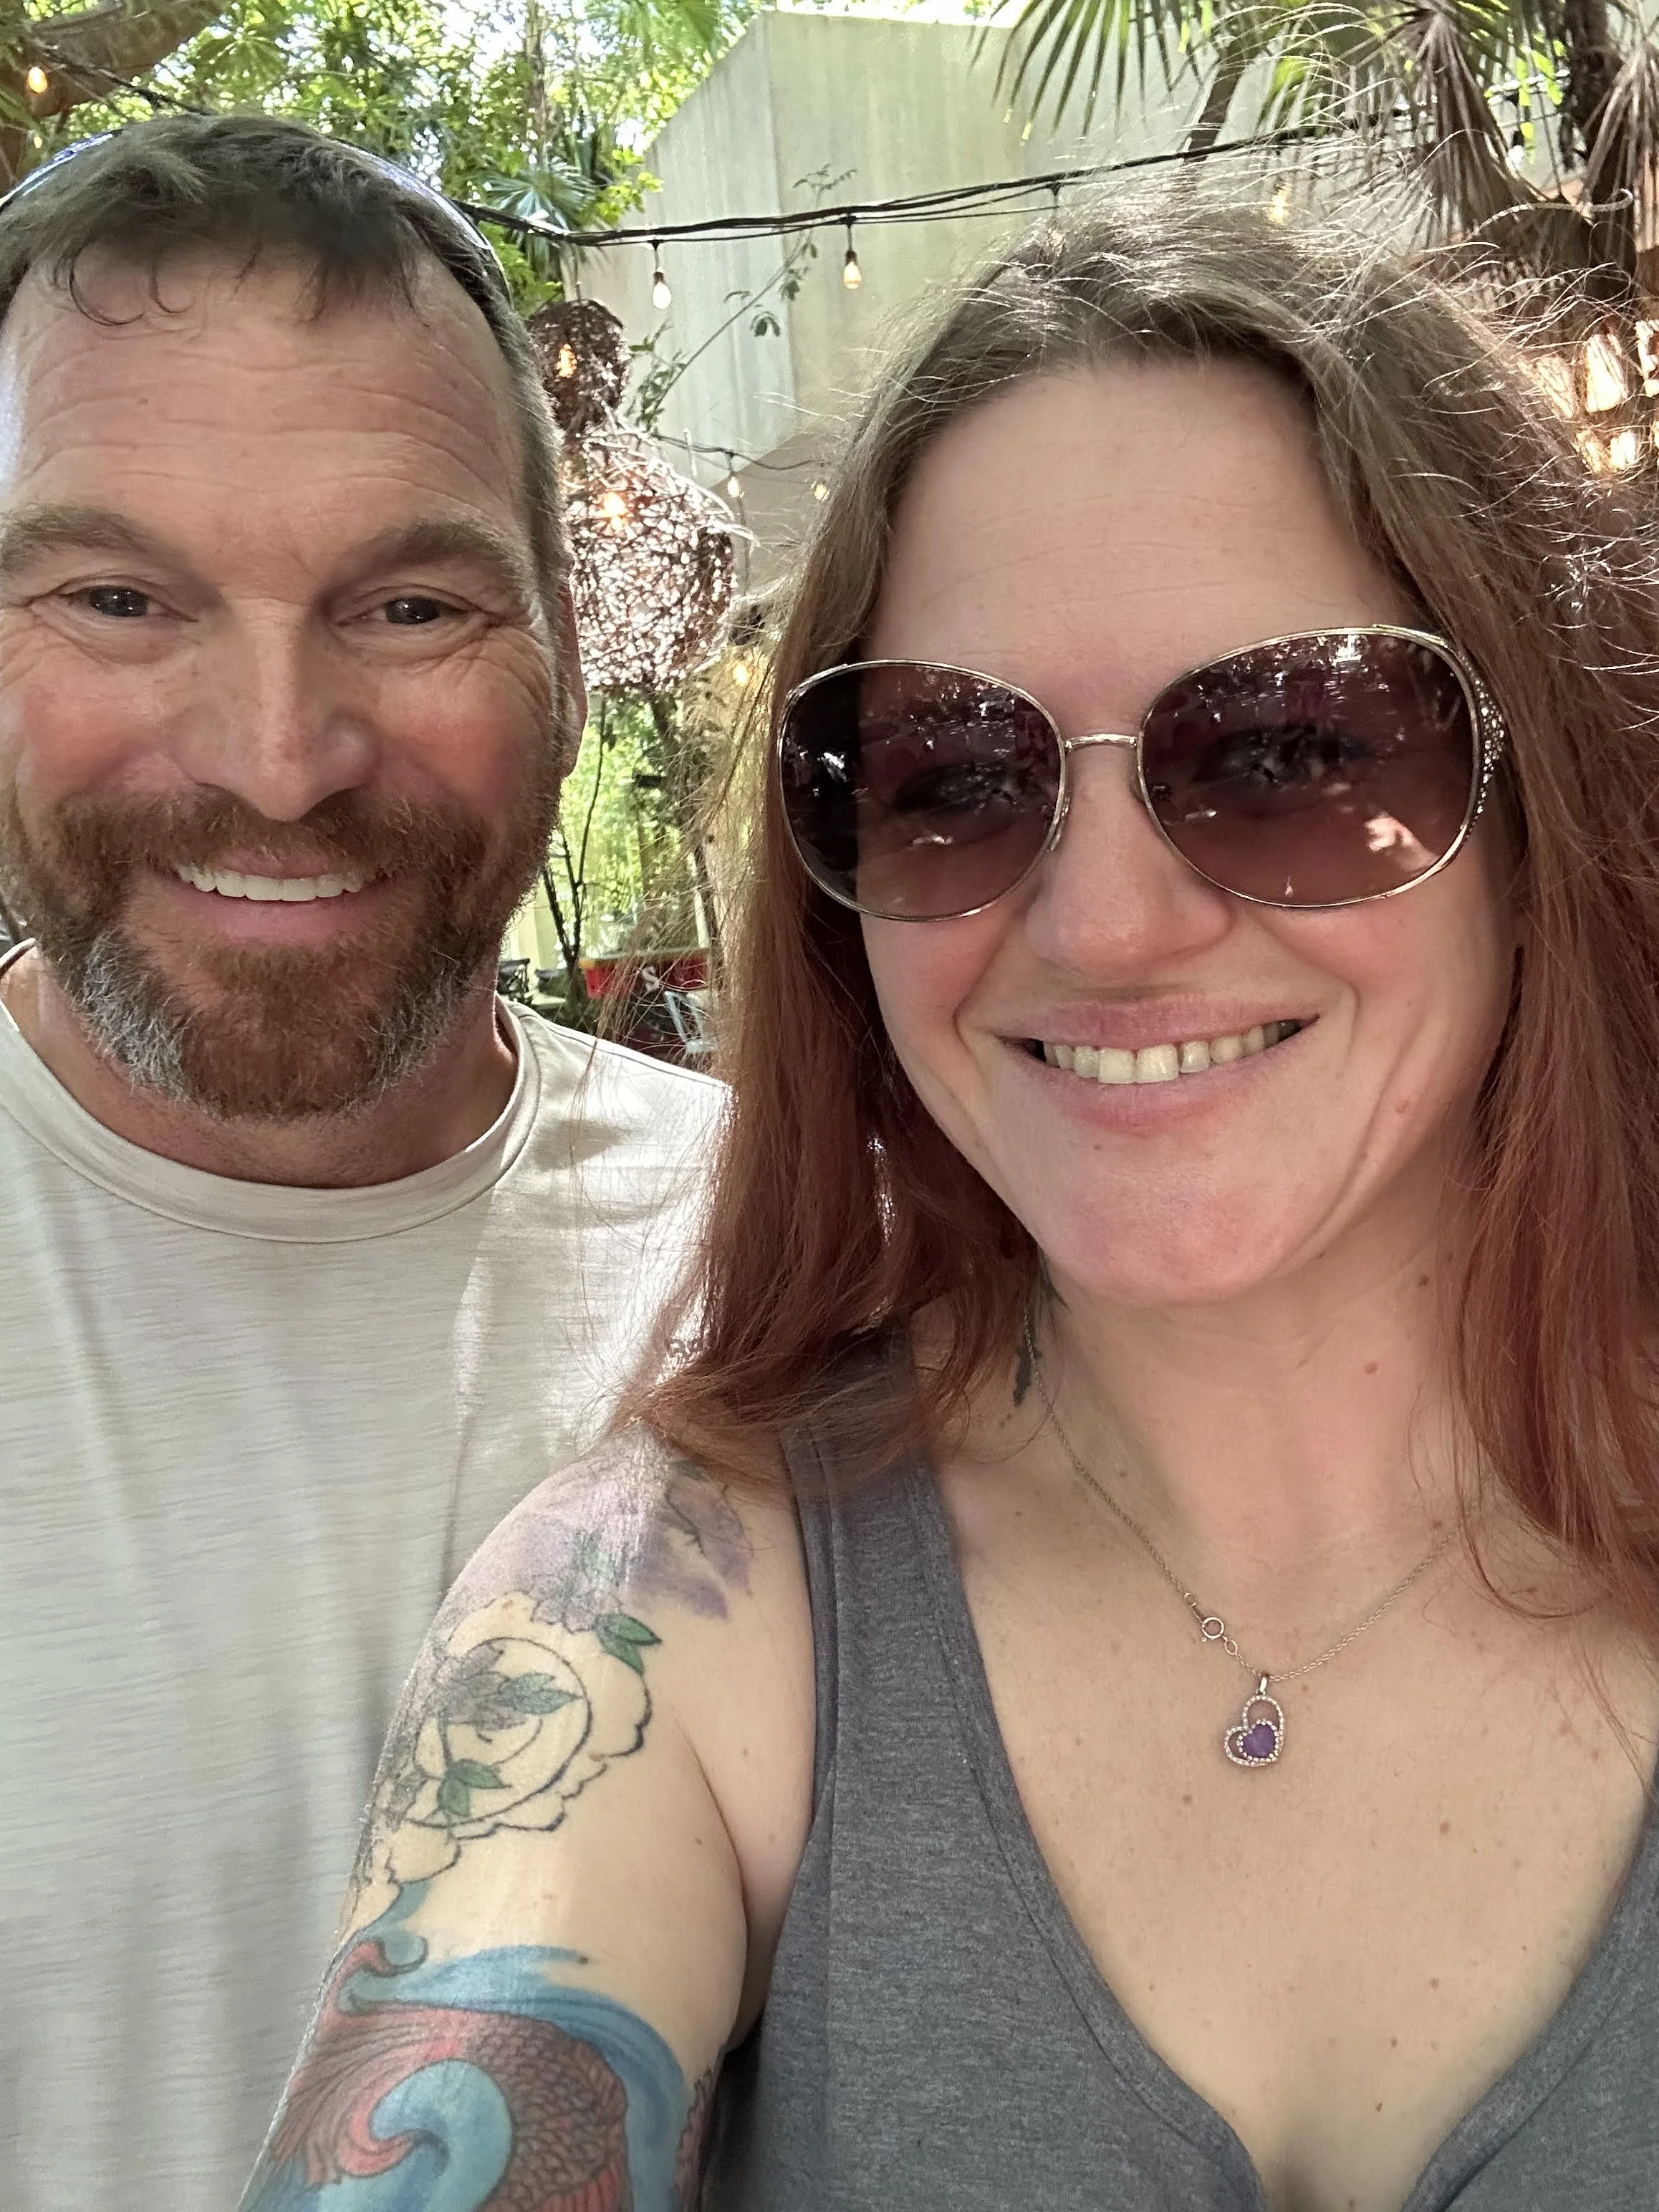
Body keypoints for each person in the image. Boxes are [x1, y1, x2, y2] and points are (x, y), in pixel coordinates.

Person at [249, 193, 1659, 2212]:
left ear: (1545, 804)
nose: (1103, 924)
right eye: (951, 779)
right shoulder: (657, 1620)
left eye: (1285, 748)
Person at [0, 117, 722, 2212]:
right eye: (117, 598)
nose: (277, 758)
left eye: (409, 604)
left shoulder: (817, 1264)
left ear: (565, 647)